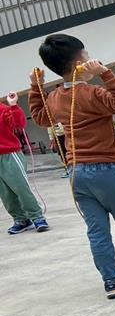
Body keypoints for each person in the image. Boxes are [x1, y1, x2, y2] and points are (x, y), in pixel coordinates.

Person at [29, 33, 115, 299]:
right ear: (80, 63)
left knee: (97, 230)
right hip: (106, 168)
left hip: (76, 173)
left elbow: (41, 117)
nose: (92, 59)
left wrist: (36, 87)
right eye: (87, 55)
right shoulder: (93, 93)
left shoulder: (55, 98)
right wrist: (106, 74)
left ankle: (112, 280)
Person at [1, 91, 50, 234]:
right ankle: (20, 219)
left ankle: (37, 217)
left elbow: (19, 124)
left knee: (20, 187)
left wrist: (13, 106)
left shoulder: (3, 110)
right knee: (5, 193)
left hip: (10, 155)